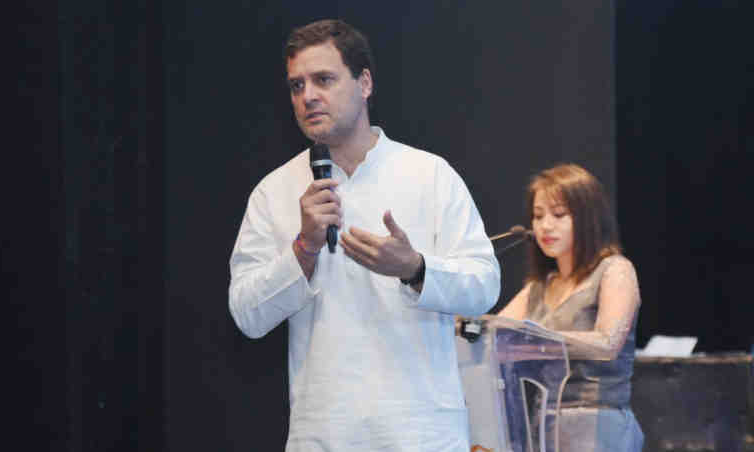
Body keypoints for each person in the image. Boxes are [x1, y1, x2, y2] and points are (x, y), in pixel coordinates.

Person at [228, 19, 500, 451]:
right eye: (297, 86)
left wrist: (414, 268)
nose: (308, 96)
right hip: (324, 433)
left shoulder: (429, 175)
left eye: (324, 79)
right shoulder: (274, 191)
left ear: (365, 83)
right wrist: (303, 249)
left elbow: (485, 285)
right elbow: (248, 315)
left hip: (420, 431)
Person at [498, 163, 644, 451]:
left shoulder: (615, 270)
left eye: (559, 215)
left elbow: (607, 343)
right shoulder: (539, 286)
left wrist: (536, 339)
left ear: (588, 218)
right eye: (538, 216)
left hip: (599, 425)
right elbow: (496, 336)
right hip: (543, 426)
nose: (544, 226)